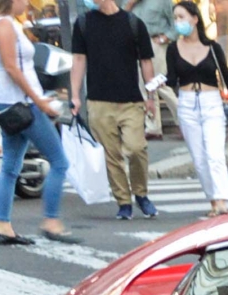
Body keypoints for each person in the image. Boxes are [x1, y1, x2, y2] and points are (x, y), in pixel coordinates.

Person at [0, 0, 70, 245]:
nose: (27, 2)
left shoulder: (1, 24)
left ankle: (4, 226)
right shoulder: (4, 25)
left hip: (9, 102)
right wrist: (38, 101)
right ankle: (51, 220)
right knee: (59, 162)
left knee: (11, 166)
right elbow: (12, 67)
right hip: (20, 104)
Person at [71, 0, 160, 218]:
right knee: (111, 155)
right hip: (99, 101)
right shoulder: (83, 23)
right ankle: (124, 202)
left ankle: (141, 193)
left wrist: (150, 96)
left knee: (137, 148)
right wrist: (74, 95)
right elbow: (79, 59)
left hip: (130, 101)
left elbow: (146, 62)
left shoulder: (133, 23)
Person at [163, 0, 228, 215]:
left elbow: (227, 78)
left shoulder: (212, 47)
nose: (178, 22)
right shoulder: (173, 49)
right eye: (175, 18)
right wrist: (159, 82)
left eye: (181, 17)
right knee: (200, 160)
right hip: (187, 103)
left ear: (195, 19)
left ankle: (221, 201)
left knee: (215, 154)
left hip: (211, 104)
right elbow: (173, 79)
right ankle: (212, 201)